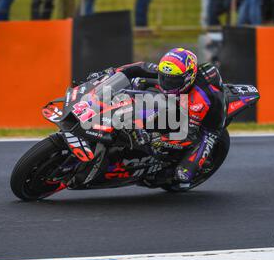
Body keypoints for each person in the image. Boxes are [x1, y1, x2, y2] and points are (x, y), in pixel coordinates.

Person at [87, 48, 227, 190]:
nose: (166, 83)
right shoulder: (171, 73)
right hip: (179, 98)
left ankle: (169, 172)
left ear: (188, 77)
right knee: (137, 83)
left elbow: (187, 137)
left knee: (183, 175)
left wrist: (155, 138)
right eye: (163, 77)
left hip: (207, 128)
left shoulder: (199, 101)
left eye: (173, 80)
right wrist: (109, 73)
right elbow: (138, 67)